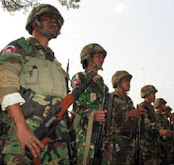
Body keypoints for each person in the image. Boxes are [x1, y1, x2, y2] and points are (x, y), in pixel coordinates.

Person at [0, 4, 71, 164]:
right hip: (27, 130)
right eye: (49, 18)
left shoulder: (55, 63)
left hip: (58, 134)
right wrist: (21, 126)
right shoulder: (21, 47)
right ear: (34, 22)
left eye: (57, 21)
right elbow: (5, 82)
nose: (54, 23)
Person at [71, 43, 109, 164]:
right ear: (88, 58)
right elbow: (75, 105)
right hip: (85, 134)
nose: (102, 59)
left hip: (101, 135)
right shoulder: (81, 77)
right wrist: (92, 114)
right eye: (99, 56)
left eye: (103, 57)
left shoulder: (103, 85)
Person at [110, 70, 145, 165]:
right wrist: (128, 114)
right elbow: (109, 119)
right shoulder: (111, 98)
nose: (128, 83)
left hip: (131, 141)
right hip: (118, 141)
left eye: (129, 81)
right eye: (125, 80)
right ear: (118, 82)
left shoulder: (129, 100)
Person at [137, 85, 161, 165]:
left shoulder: (151, 108)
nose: (154, 96)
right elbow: (146, 124)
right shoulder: (142, 106)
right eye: (152, 93)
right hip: (146, 146)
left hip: (153, 145)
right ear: (147, 94)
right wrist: (160, 130)